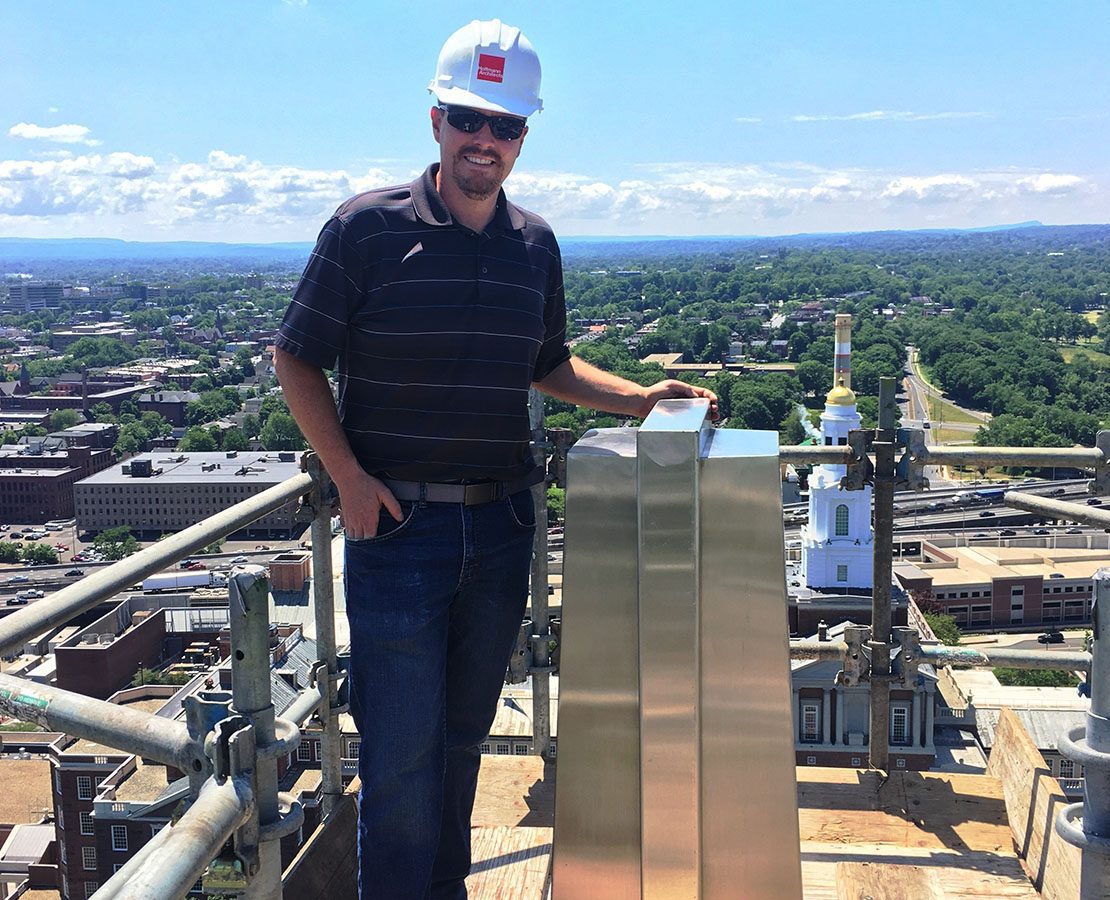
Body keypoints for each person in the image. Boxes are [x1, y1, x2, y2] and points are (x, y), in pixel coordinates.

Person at [274, 19, 717, 899]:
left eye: (505, 125)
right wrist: (350, 480)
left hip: (504, 522)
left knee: (463, 740)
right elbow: (297, 357)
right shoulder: (363, 230)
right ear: (436, 120)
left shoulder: (534, 245)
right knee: (400, 758)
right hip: (397, 527)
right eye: (469, 118)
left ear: (525, 136)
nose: (486, 141)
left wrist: (641, 398)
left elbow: (544, 364)